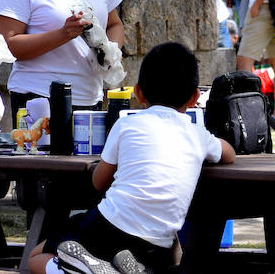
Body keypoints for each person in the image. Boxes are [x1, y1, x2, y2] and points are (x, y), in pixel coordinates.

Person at [27, 41, 234, 274]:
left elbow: (98, 182)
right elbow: (229, 153)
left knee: (36, 257)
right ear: (195, 96)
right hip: (159, 244)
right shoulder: (198, 134)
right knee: (139, 255)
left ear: (138, 92)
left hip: (110, 224)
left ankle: (88, 271)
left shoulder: (127, 124)